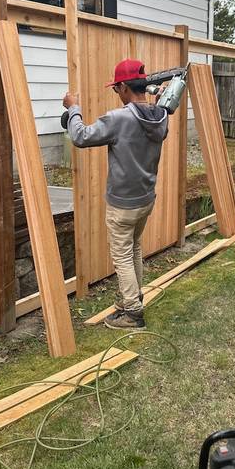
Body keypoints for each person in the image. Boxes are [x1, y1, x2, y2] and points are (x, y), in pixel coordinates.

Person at [62, 59, 168, 330]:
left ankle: (132, 313)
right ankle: (134, 296)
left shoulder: (120, 118)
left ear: (123, 87)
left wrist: (73, 108)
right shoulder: (160, 116)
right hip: (145, 199)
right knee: (133, 248)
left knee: (122, 255)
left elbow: (81, 136)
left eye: (115, 89)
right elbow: (159, 108)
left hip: (122, 205)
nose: (116, 94)